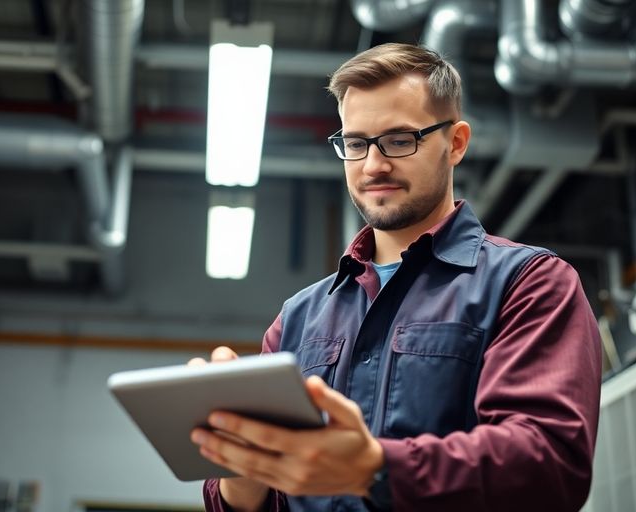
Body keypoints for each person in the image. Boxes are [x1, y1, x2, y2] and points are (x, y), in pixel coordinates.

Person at [189, 43, 602, 511]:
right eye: (356, 142)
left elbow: (547, 466)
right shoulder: (298, 318)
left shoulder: (529, 284)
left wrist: (375, 466)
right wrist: (244, 469)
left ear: (456, 143)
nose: (373, 165)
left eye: (400, 140)